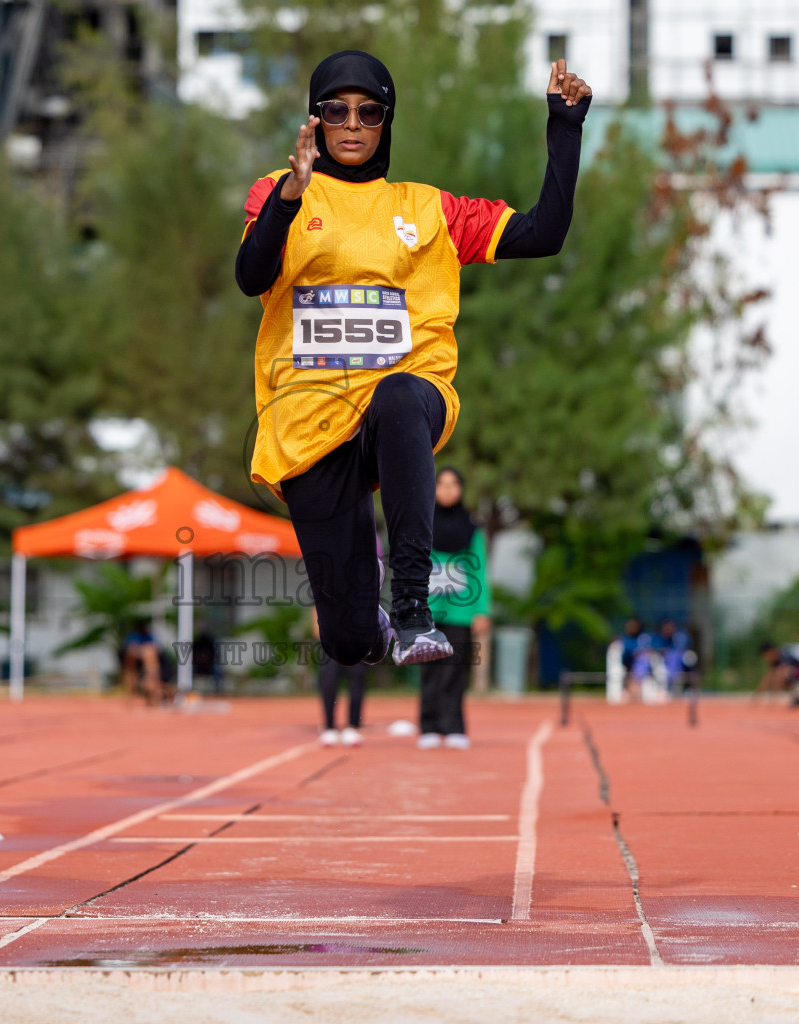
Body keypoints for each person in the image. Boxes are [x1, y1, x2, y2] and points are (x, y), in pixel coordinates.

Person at [236, 51, 591, 676]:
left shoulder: (429, 211)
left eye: (368, 112)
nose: (352, 124)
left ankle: (410, 607)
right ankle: (370, 623)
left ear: (385, 123)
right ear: (314, 121)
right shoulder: (278, 191)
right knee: (345, 642)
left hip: (408, 398)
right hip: (309, 421)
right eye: (336, 111)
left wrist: (564, 127)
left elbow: (544, 233)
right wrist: (291, 198)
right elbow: (250, 277)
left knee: (399, 393)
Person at [418, 467, 490, 750]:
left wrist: (481, 611)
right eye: (441, 484)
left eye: (453, 484)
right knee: (429, 668)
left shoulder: (472, 530)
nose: (447, 490)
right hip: (429, 609)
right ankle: (429, 726)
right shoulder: (422, 523)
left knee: (455, 668)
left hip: (461, 611)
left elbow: (480, 571)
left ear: (461, 489)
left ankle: (454, 726)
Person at [312, 607, 365, 747]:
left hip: (355, 641)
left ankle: (353, 726)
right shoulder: (325, 587)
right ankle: (329, 727)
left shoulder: (359, 589)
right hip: (331, 643)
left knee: (357, 681)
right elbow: (315, 612)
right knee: (329, 682)